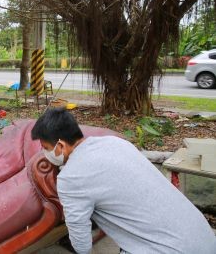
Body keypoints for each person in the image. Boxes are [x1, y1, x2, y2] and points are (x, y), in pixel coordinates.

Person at [31, 108, 216, 254]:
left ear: (61, 145)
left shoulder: (71, 178)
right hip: (204, 238)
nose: (45, 154)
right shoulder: (115, 143)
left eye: (46, 148)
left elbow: (80, 237)